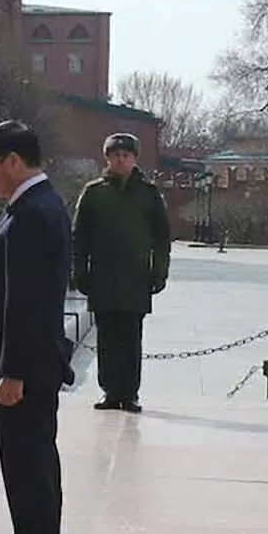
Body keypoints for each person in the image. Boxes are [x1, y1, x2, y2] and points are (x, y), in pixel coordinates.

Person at [0, 120, 74, 534]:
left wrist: (11, 370)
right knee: (28, 466)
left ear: (14, 161)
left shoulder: (33, 212)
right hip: (26, 365)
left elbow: (27, 301)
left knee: (29, 467)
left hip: (25, 370)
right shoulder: (32, 205)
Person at [73, 132, 171, 414]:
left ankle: (129, 393)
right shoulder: (93, 192)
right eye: (116, 155)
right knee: (106, 336)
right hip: (102, 276)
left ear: (134, 159)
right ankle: (109, 391)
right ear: (107, 158)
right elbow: (80, 237)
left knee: (130, 336)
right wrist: (80, 271)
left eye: (126, 155)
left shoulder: (148, 193)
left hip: (135, 276)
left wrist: (159, 272)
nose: (121, 159)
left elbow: (161, 237)